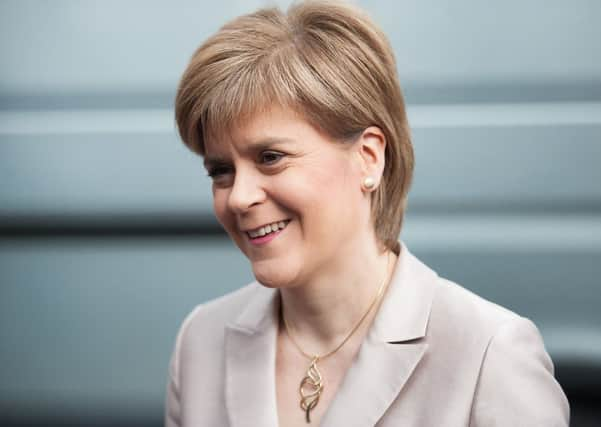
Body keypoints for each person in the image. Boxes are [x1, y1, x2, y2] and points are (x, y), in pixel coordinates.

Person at [165, 1, 569, 425]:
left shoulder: (488, 354)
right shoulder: (201, 341)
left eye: (270, 157)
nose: (238, 198)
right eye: (221, 171)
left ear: (369, 157)